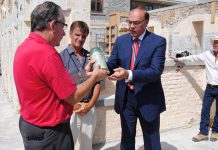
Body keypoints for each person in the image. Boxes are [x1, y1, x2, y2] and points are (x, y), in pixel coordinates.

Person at [13, 2, 108, 150]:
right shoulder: (48, 54)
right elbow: (72, 96)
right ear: (52, 25)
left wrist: (83, 74)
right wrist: (95, 77)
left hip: (31, 126)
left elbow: (55, 83)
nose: (63, 33)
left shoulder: (23, 47)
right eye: (63, 26)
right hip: (50, 133)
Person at [107, 7, 166, 150]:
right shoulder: (121, 41)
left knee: (152, 141)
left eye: (136, 23)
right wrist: (97, 63)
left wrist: (128, 74)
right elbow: (111, 64)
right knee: (126, 140)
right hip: (126, 98)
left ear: (146, 22)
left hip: (148, 99)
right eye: (129, 22)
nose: (131, 26)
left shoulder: (158, 42)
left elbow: (155, 71)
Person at [60, 21, 100, 150]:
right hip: (70, 109)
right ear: (70, 34)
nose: (80, 39)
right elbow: (60, 86)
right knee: (69, 145)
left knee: (87, 147)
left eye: (83, 36)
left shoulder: (91, 57)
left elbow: (97, 83)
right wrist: (73, 105)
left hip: (89, 108)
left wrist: (90, 105)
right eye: (77, 35)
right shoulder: (61, 57)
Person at [170, 36, 218, 142]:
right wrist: (179, 59)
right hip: (210, 87)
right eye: (214, 43)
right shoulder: (207, 54)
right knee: (205, 110)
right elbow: (193, 58)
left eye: (217, 43)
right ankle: (203, 133)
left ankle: (216, 132)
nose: (215, 44)